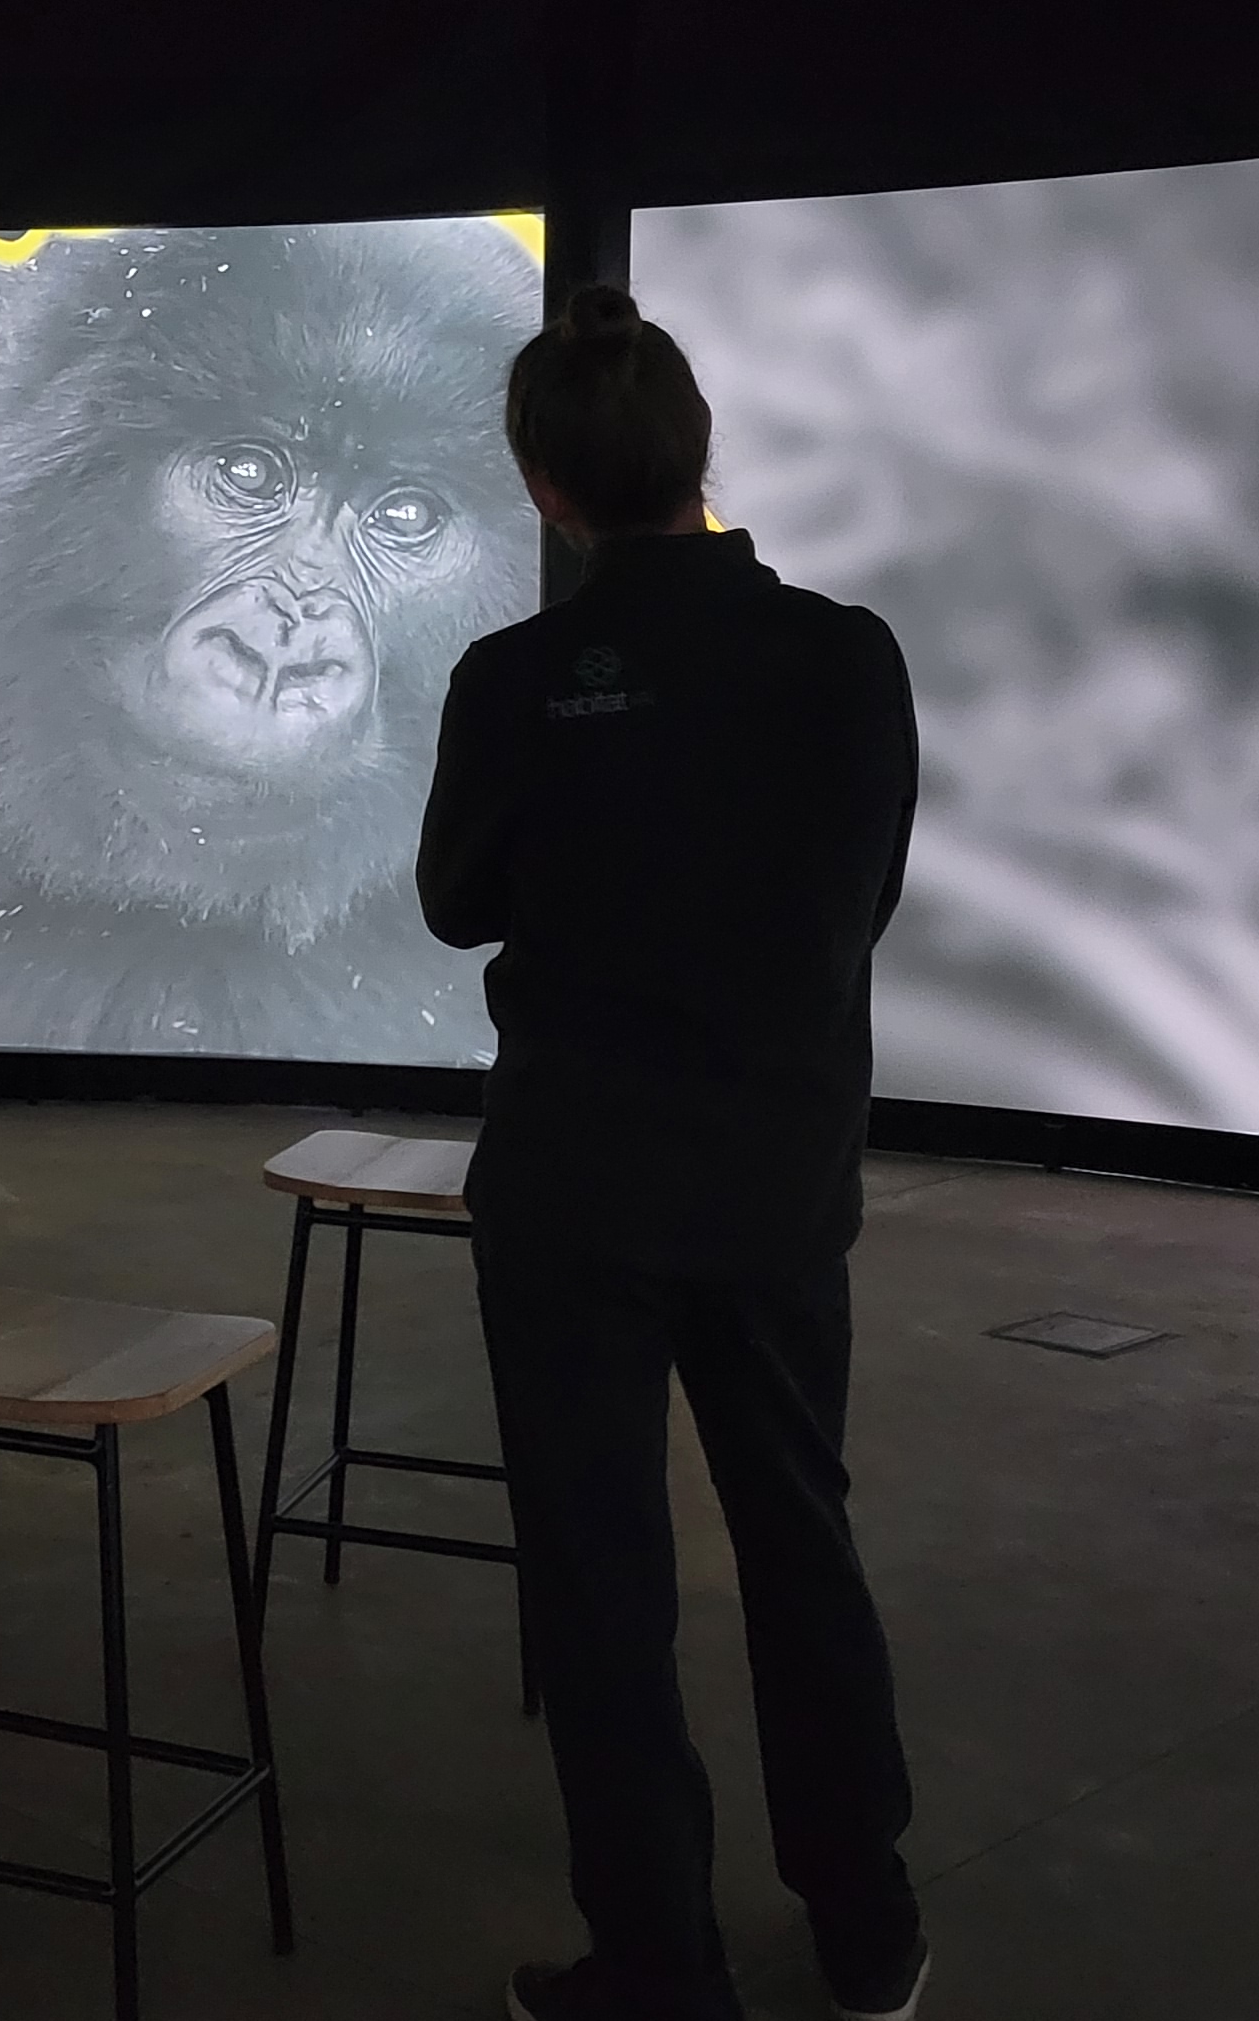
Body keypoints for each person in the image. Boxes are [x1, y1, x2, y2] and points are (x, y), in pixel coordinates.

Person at [418, 285, 929, 2021]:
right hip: (778, 1180)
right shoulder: (849, 658)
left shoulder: (514, 681)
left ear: (542, 486)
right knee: (801, 1537)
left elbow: (453, 903)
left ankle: (657, 1958)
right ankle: (865, 1920)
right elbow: (862, 902)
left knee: (599, 1575)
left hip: (571, 1185)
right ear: (698, 455)